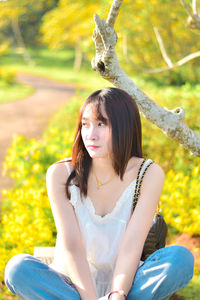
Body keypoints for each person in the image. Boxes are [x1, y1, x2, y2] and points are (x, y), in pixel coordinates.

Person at [4, 88, 194, 300]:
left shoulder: (148, 173)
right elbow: (72, 246)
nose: (90, 134)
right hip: (72, 286)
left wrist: (118, 293)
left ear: (124, 126)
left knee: (180, 259)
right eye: (85, 124)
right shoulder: (60, 174)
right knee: (17, 269)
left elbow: (132, 245)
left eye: (101, 124)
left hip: (129, 284)